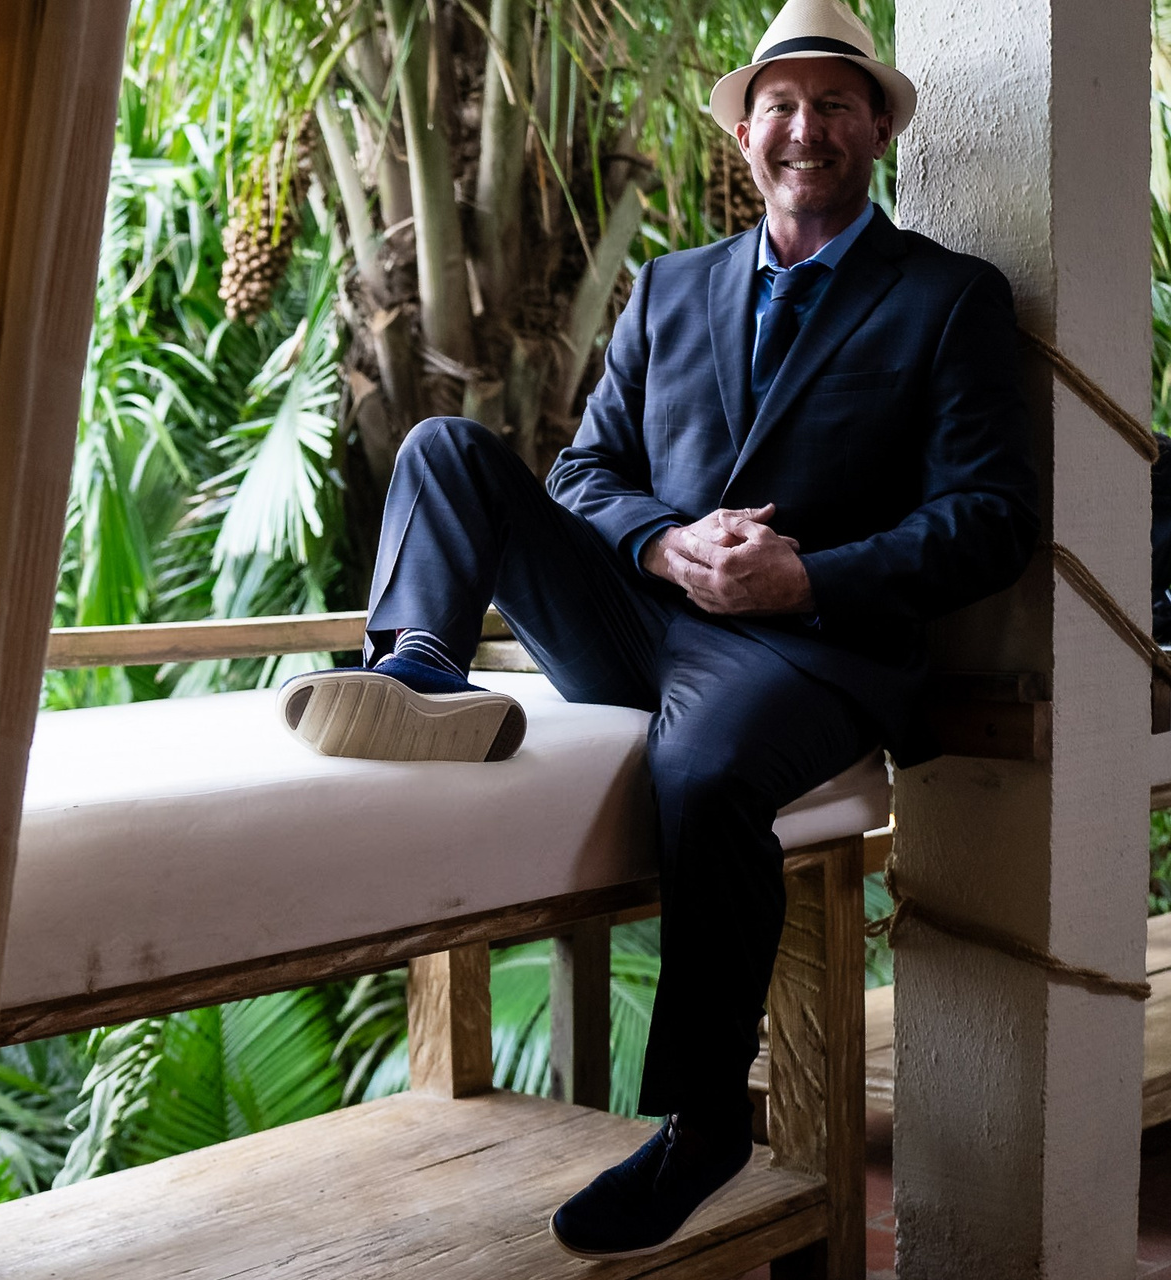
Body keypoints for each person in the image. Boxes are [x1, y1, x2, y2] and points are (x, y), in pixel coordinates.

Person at [276, 0, 1038, 1260]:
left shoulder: (949, 297)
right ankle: (416, 666)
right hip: (638, 612)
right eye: (780, 105)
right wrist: (661, 543)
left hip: (809, 646)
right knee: (445, 448)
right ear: (745, 134)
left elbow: (991, 519)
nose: (805, 128)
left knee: (705, 766)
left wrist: (806, 575)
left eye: (834, 104)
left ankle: (703, 1119)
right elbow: (583, 475)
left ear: (878, 131)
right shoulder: (670, 287)